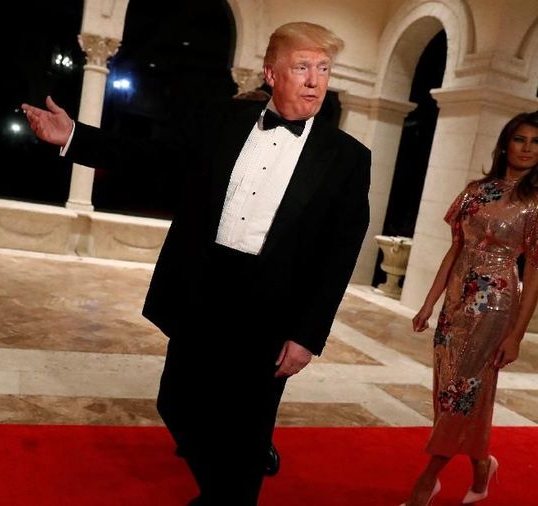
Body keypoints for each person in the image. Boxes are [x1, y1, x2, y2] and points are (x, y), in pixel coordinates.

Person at [23, 21, 370, 505]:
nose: (315, 80)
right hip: (204, 287)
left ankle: (229, 493)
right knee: (179, 403)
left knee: (246, 428)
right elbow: (152, 157)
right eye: (302, 67)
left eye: (324, 69)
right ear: (272, 73)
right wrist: (75, 138)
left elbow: (341, 251)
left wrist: (308, 333)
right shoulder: (223, 122)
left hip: (272, 304)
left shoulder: (348, 157)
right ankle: (227, 484)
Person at [400, 112, 538, 506]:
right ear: (505, 144)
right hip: (455, 303)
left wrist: (516, 335)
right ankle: (482, 466)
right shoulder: (476, 191)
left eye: (536, 142)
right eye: (520, 139)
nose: (527, 148)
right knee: (451, 390)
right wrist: (429, 303)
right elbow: (455, 250)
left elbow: (535, 274)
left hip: (495, 303)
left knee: (463, 390)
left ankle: (428, 479)